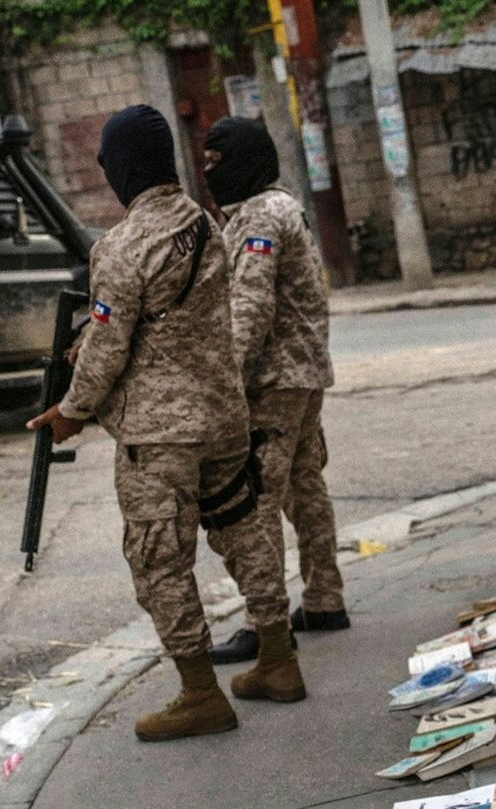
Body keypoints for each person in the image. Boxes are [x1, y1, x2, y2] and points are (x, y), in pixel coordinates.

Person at [27, 105, 279, 741]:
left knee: (159, 560)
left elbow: (110, 347)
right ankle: (280, 660)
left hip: (160, 435)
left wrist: (71, 411)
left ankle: (200, 694)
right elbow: (173, 323)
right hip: (224, 416)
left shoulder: (120, 246)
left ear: (121, 166)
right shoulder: (203, 222)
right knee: (245, 531)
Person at [197, 116, 349, 696]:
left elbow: (251, 309)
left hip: (274, 380)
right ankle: (324, 597)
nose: (209, 174)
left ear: (245, 159)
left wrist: (225, 386)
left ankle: (265, 626)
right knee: (304, 486)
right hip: (305, 373)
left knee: (255, 499)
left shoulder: (260, 215)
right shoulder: (283, 207)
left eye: (216, 162)